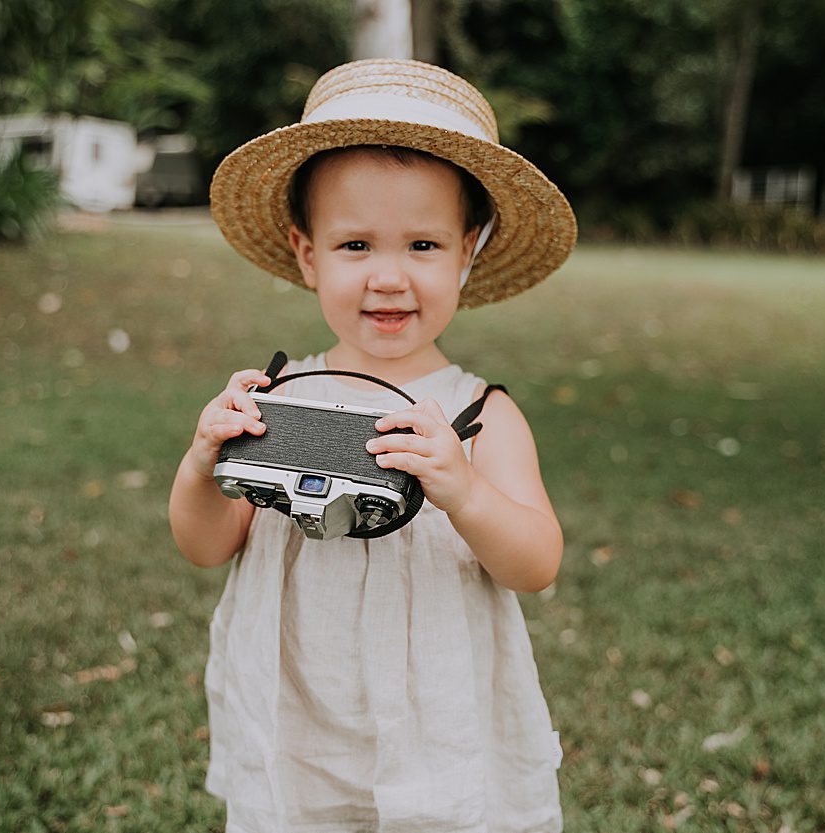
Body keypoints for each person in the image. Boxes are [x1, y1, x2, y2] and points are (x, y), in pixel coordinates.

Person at [166, 58, 578, 832]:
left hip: (439, 714)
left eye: (422, 245)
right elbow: (207, 544)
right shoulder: (282, 397)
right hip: (300, 706)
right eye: (356, 245)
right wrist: (201, 467)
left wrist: (464, 491)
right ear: (307, 252)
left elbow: (536, 562)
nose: (388, 277)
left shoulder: (480, 413)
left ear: (468, 251)